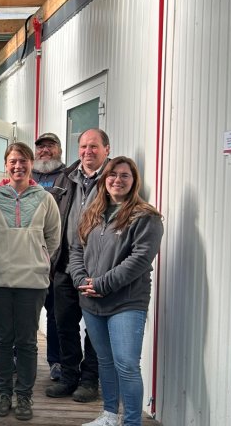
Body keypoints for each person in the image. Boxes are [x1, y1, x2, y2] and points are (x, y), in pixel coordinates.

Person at [70, 157, 163, 426]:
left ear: (134, 181)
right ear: (104, 179)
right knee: (105, 360)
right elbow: (77, 249)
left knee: (127, 364)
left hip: (126, 302)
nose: (117, 180)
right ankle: (110, 415)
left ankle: (131, 422)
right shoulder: (92, 212)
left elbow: (140, 259)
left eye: (125, 175)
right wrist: (81, 279)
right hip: (91, 301)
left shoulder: (145, 216)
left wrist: (102, 284)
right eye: (113, 175)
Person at [0, 142, 60, 422]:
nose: (18, 166)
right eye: (13, 161)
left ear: (31, 163)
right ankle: (3, 393)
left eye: (23, 160)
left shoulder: (45, 198)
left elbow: (53, 239)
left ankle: (24, 397)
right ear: (6, 163)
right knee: (2, 339)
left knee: (26, 342)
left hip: (32, 281)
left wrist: (36, 257)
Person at [46, 128, 111, 403]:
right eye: (83, 146)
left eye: (94, 146)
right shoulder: (67, 177)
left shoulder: (114, 178)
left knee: (94, 327)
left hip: (98, 268)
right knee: (65, 324)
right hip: (65, 265)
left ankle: (89, 380)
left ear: (106, 149)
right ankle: (69, 375)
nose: (88, 152)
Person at [31, 133, 67, 382]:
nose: (45, 150)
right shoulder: (26, 176)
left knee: (56, 314)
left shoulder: (68, 178)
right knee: (25, 312)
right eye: (40, 147)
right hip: (27, 259)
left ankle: (56, 362)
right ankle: (18, 357)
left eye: (50, 146)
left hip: (58, 260)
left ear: (60, 150)